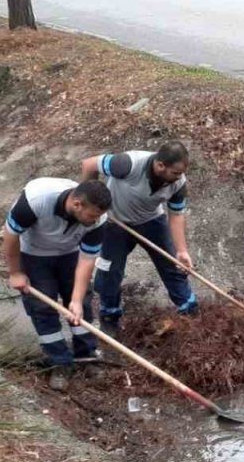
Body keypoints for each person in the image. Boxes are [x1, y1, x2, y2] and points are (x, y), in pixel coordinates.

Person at [80, 141, 196, 340]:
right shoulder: (127, 164)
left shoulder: (178, 183)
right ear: (160, 166)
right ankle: (110, 317)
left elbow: (176, 215)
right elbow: (89, 164)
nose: (180, 177)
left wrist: (182, 251)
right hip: (116, 223)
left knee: (173, 265)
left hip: (151, 220)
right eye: (176, 172)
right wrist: (91, 203)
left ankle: (188, 309)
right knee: (109, 272)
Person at [4, 177, 111, 392]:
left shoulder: (98, 219)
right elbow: (10, 234)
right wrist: (16, 272)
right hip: (33, 253)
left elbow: (87, 260)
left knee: (82, 305)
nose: (94, 220)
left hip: (69, 254)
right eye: (91, 216)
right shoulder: (36, 200)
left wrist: (77, 300)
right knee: (43, 307)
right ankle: (59, 362)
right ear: (77, 204)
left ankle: (87, 354)